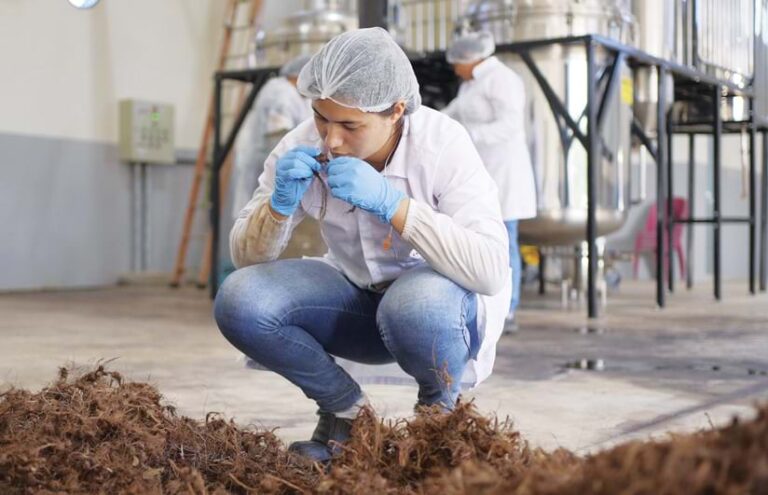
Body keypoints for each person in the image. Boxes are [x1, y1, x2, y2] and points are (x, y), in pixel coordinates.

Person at [213, 27, 510, 463]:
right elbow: (246, 260)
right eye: (321, 117)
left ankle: (438, 424)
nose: (331, 140)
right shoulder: (301, 145)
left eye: (350, 125)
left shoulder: (441, 144)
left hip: (436, 313)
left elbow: (489, 270)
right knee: (240, 299)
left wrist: (395, 205)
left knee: (414, 305)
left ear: (396, 111)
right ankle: (347, 414)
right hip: (357, 299)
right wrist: (277, 208)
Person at [443, 31, 536, 331]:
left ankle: (509, 309)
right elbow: (451, 114)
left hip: (504, 170)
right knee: (475, 237)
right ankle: (480, 305)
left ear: (471, 59)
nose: (454, 68)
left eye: (457, 62)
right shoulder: (469, 85)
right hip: (481, 171)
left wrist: (470, 135)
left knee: (505, 239)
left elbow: (509, 125)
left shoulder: (503, 79)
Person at [231, 54, 313, 216]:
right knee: (258, 217)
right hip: (264, 166)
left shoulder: (300, 97)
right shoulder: (281, 92)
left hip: (275, 169)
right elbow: (278, 135)